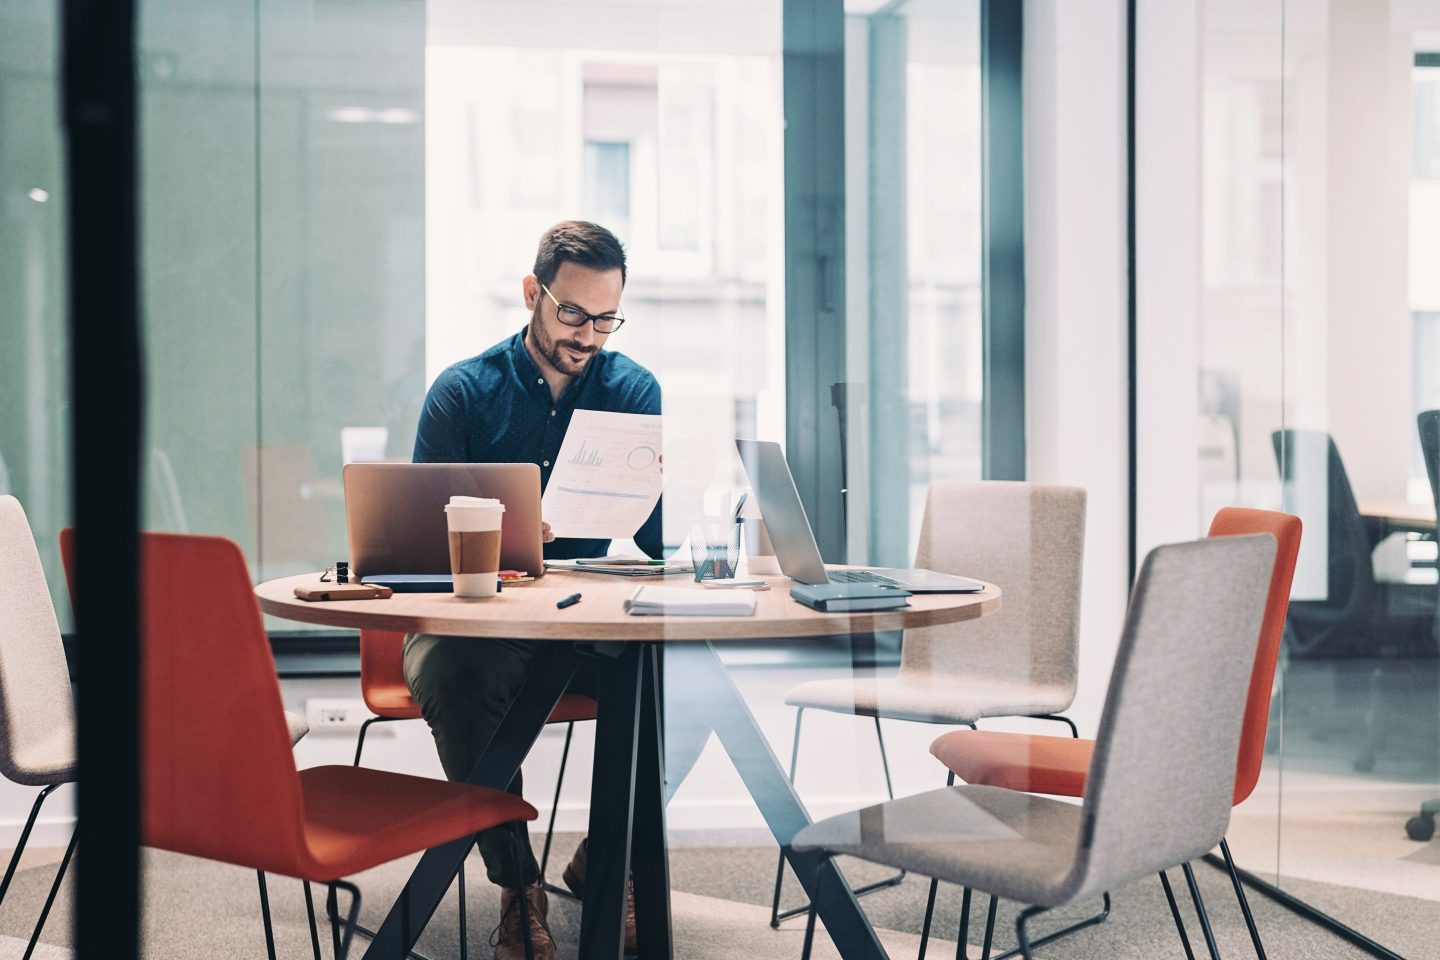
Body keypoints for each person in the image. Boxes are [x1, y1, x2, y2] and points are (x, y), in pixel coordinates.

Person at [405, 221, 705, 960]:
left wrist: (668, 485)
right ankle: (519, 887)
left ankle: (608, 857)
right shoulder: (463, 393)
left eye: (606, 318)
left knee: (693, 676)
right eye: (573, 313)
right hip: (481, 623)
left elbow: (657, 539)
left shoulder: (633, 388)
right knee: (454, 670)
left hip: (585, 622)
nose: (588, 335)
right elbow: (415, 546)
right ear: (534, 293)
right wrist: (501, 535)